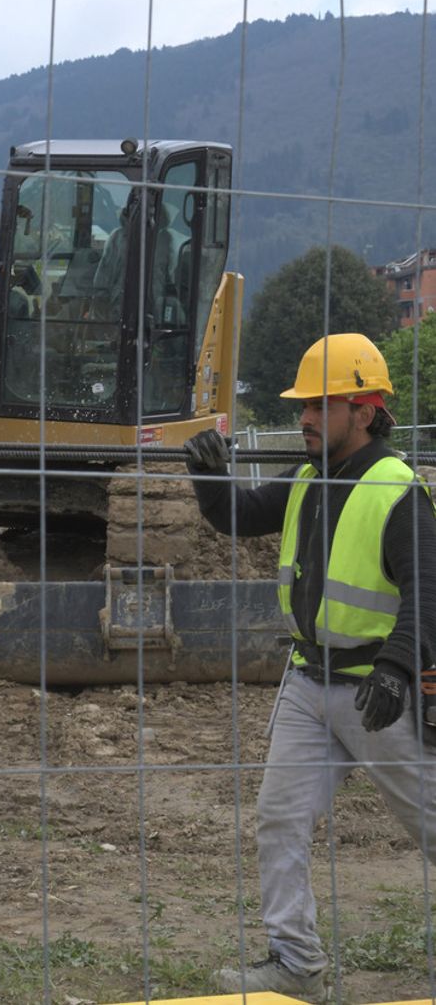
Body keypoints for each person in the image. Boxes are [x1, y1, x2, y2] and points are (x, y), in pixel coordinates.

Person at [183, 332, 436, 998]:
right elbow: (236, 516)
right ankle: (295, 963)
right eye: (304, 406)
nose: (305, 419)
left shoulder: (398, 491)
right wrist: (210, 475)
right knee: (281, 818)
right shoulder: (306, 480)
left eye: (323, 406)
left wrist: (398, 668)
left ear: (367, 409)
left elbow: (427, 591)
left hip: (381, 691)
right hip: (308, 683)